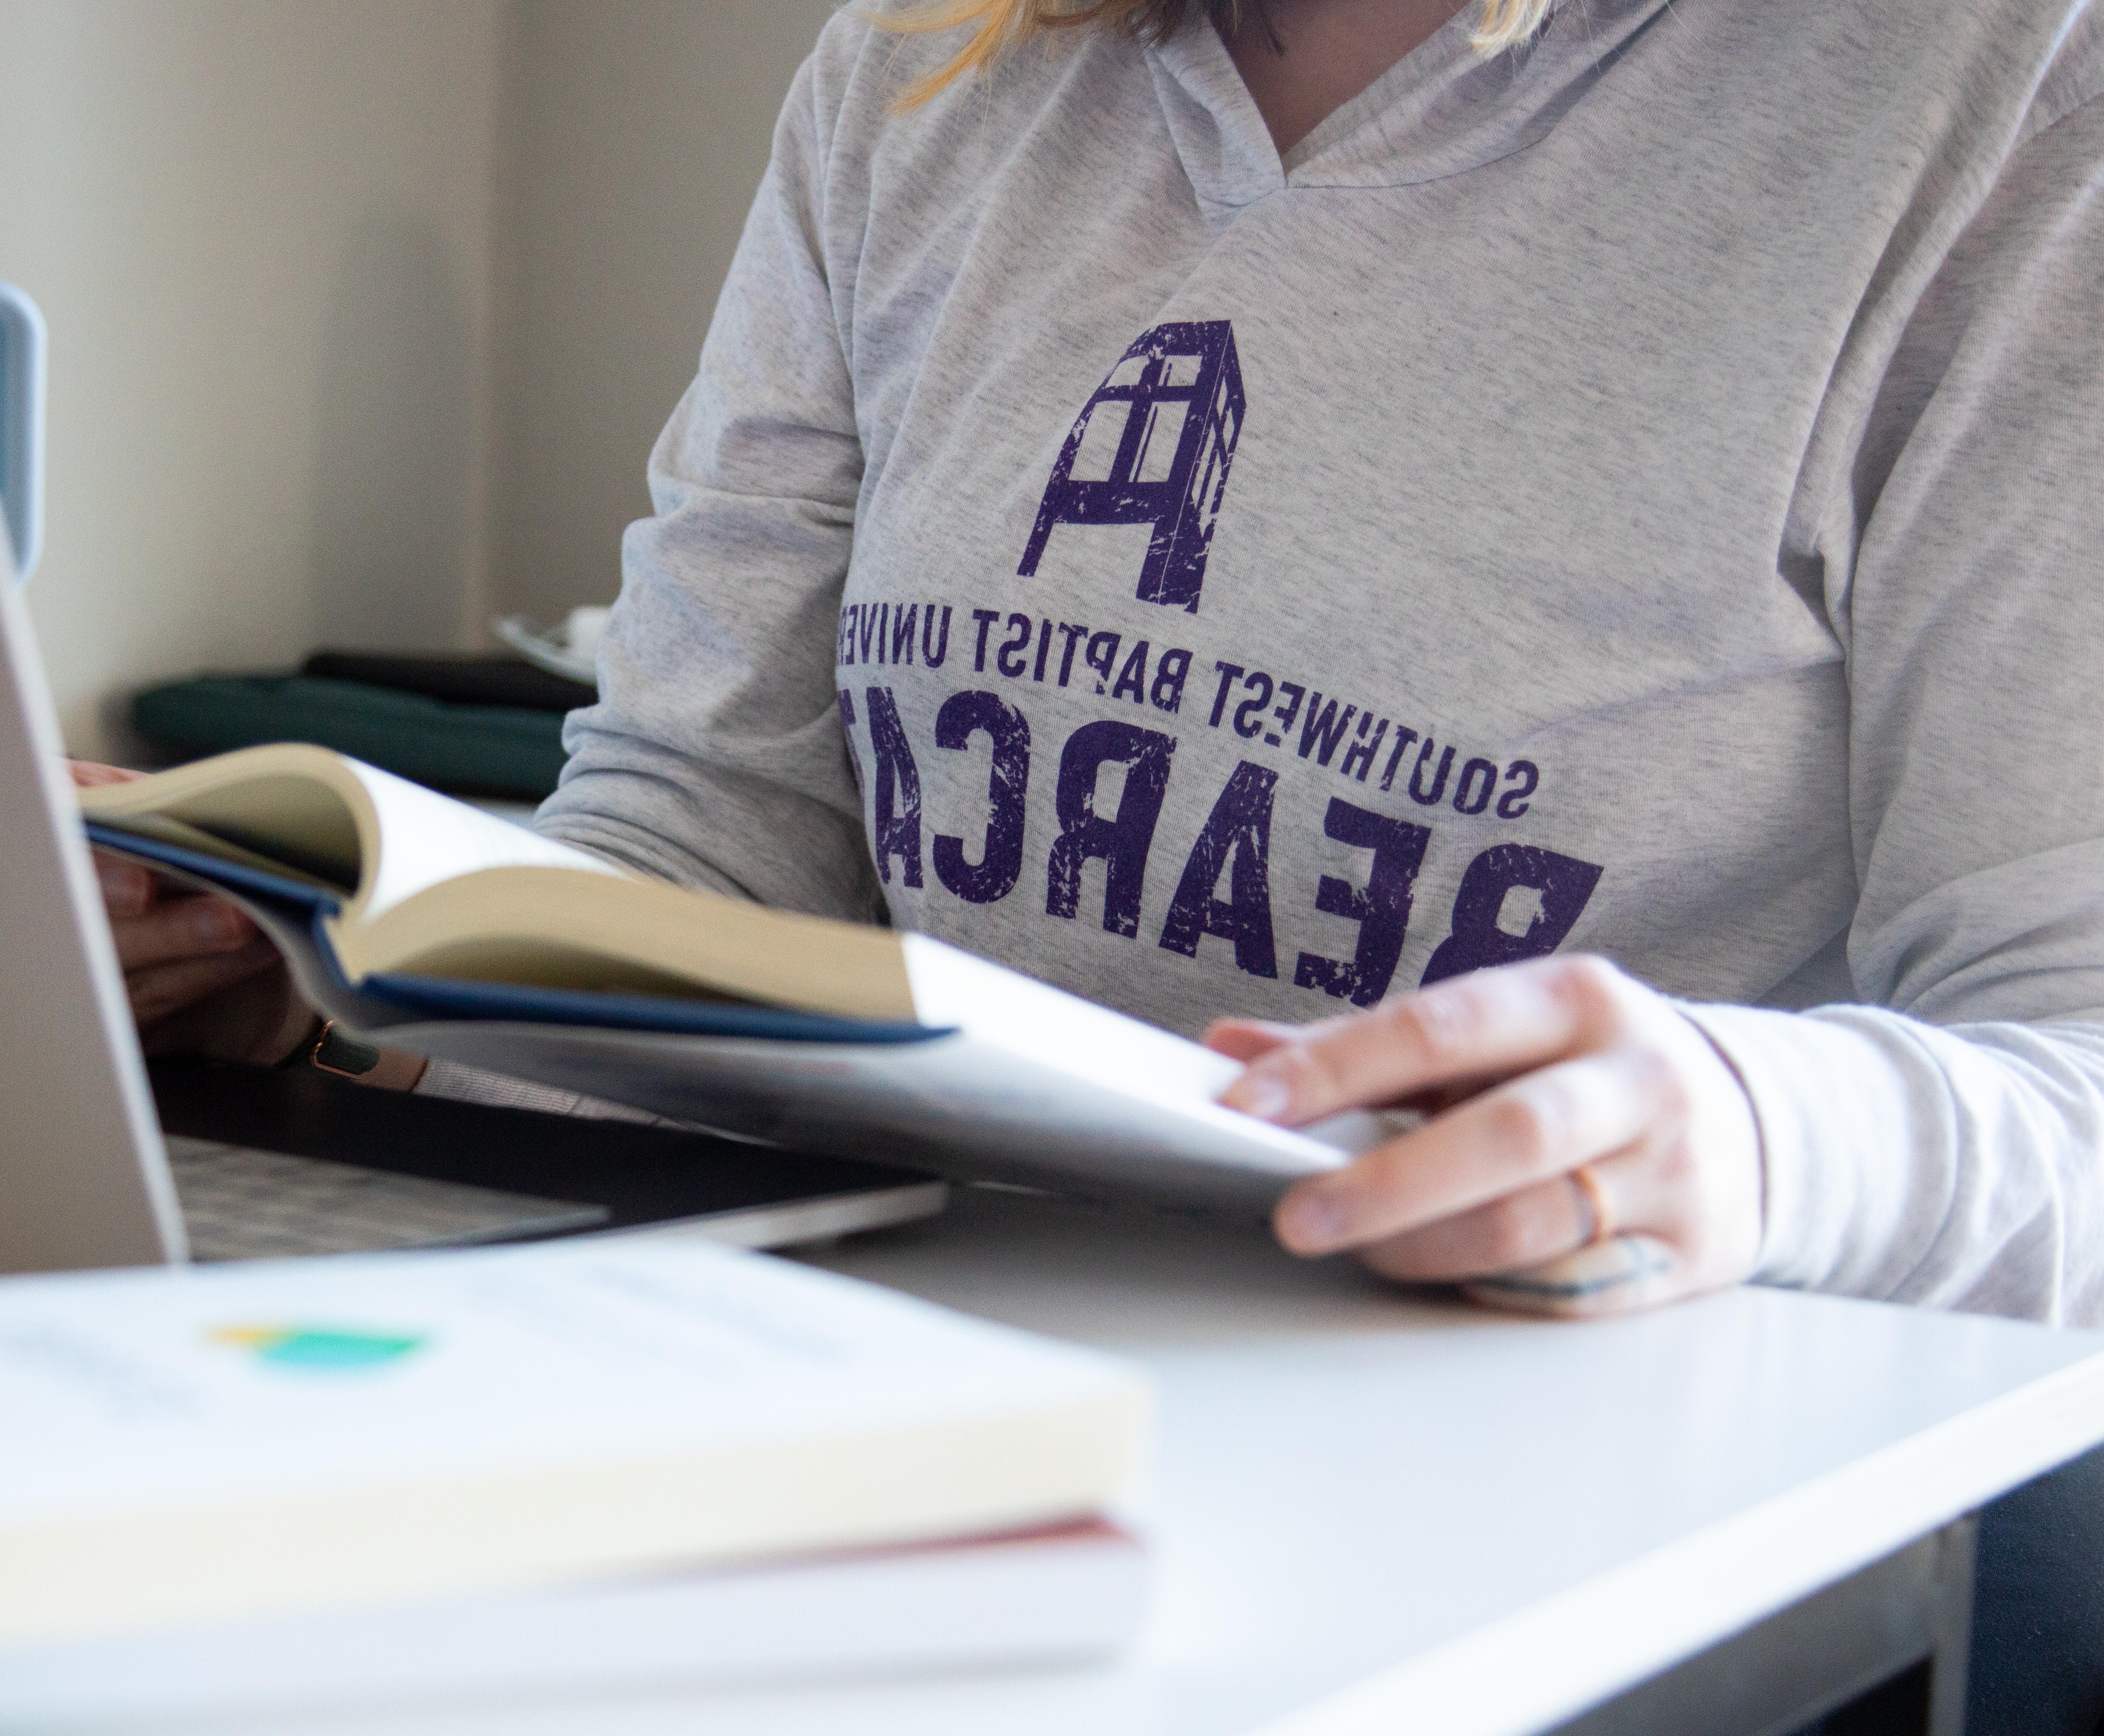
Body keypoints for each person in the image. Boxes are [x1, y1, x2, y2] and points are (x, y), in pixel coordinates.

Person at [101, 5, 2104, 1721]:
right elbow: (713, 834)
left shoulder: (2008, 100)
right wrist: (341, 975)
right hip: (934, 1425)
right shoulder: (936, 68)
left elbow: (2073, 1066)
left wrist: (1752, 1130)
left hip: (1578, 1514)